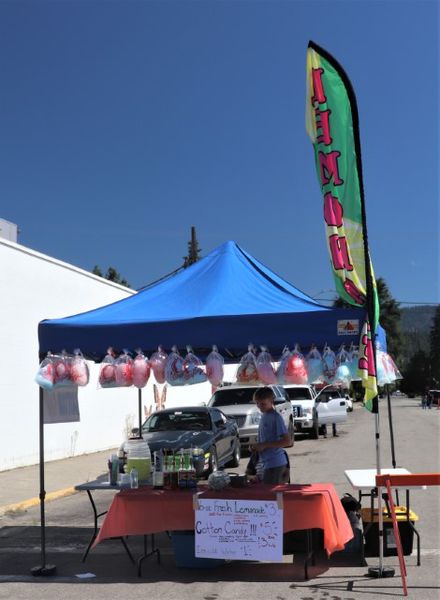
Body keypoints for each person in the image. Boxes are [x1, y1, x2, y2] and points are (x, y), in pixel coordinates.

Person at [249, 386, 293, 484]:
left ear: (272, 400)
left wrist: (264, 445)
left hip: (275, 463)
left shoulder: (276, 417)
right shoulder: (264, 416)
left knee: (271, 496)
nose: (260, 406)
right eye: (257, 403)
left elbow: (287, 441)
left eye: (263, 404)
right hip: (266, 463)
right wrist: (256, 446)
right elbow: (265, 440)